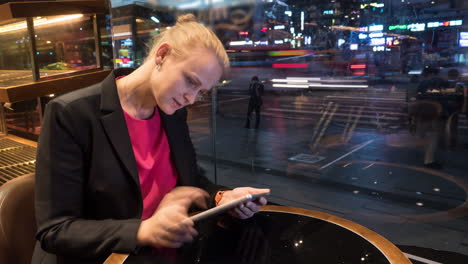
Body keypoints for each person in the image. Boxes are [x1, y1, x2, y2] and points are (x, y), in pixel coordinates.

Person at [33, 14, 269, 264]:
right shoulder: (72, 114)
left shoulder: (172, 114)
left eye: (200, 92)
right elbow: (55, 230)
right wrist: (142, 230)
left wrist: (223, 199)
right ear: (162, 55)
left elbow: (191, 180)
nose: (191, 98)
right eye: (190, 81)